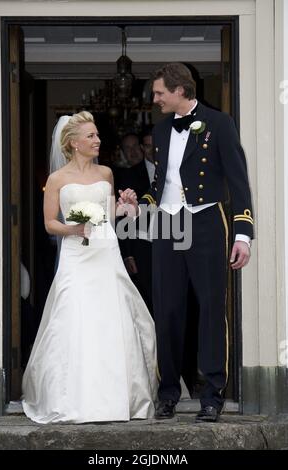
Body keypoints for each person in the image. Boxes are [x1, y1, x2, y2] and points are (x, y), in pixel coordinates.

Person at [119, 63, 254, 423]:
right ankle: (168, 394)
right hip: (166, 224)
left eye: (160, 92)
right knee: (167, 310)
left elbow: (239, 182)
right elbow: (159, 186)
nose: (155, 98)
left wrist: (243, 234)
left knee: (211, 309)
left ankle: (212, 396)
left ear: (180, 90)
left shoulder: (219, 123)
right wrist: (139, 206)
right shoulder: (161, 130)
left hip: (207, 221)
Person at [22, 111, 157, 424]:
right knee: (74, 315)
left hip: (106, 250)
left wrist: (127, 204)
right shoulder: (57, 180)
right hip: (76, 254)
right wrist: (73, 229)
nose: (98, 140)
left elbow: (110, 213)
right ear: (73, 143)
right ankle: (74, 398)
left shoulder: (107, 173)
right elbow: (49, 223)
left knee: (112, 316)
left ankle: (118, 398)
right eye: (91, 136)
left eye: (97, 135)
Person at [114, 132, 154, 313]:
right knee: (145, 297)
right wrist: (127, 253)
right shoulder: (127, 175)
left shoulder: (171, 170)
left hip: (171, 241)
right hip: (140, 246)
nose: (133, 152)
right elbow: (122, 217)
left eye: (135, 147)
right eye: (127, 149)